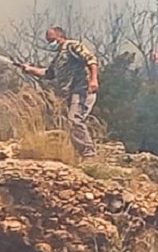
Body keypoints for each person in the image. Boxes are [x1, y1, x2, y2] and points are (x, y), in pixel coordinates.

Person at [22, 26, 100, 158]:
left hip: (82, 90)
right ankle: (82, 154)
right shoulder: (58, 57)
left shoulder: (72, 46)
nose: (50, 43)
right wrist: (30, 69)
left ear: (60, 36)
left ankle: (89, 154)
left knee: (74, 120)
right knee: (72, 123)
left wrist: (93, 79)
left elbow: (91, 60)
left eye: (52, 39)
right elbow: (48, 73)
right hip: (70, 95)